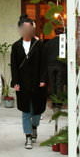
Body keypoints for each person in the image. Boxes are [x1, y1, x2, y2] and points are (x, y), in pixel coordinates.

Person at [10, 15, 47, 149]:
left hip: (38, 82)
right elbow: (14, 66)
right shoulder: (16, 46)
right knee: (26, 111)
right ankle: (28, 137)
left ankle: (34, 125)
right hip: (23, 83)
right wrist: (15, 82)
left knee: (37, 111)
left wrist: (43, 79)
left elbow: (44, 64)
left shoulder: (40, 45)